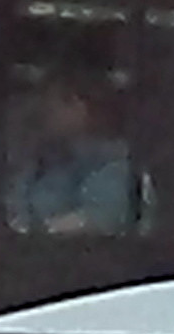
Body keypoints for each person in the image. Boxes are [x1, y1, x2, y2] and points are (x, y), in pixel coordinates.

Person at [7, 72, 135, 236]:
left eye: (50, 106)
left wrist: (42, 234)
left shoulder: (113, 167)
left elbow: (98, 220)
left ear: (77, 106)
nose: (41, 114)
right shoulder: (46, 161)